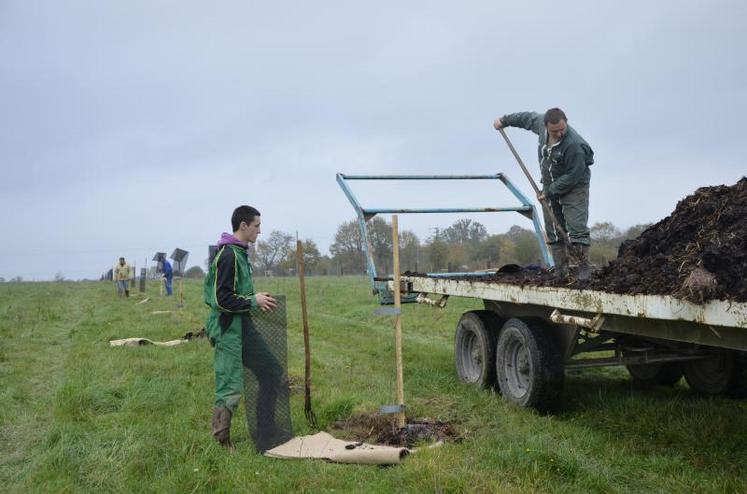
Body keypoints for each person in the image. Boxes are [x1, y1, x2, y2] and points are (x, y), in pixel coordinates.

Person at [203, 205, 280, 449]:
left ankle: (267, 430)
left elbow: (236, 293)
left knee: (271, 371)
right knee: (230, 384)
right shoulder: (227, 255)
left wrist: (254, 297)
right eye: (256, 226)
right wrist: (252, 301)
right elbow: (221, 299)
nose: (260, 231)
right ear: (243, 226)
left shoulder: (240, 253)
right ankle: (221, 439)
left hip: (243, 325)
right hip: (227, 328)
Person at [494, 108, 594, 280]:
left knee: (576, 227)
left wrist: (549, 191)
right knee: (554, 229)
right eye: (555, 131)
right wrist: (504, 120)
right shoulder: (541, 125)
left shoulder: (574, 145)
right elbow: (525, 118)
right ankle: (560, 272)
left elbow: (573, 175)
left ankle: (582, 268)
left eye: (562, 129)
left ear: (566, 122)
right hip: (549, 185)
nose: (560, 133)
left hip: (575, 186)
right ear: (546, 126)